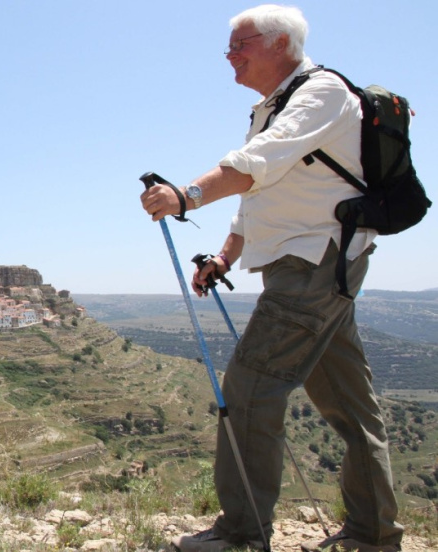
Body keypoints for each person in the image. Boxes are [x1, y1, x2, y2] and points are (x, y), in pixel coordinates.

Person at [140, 5, 403, 552]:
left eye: (242, 44)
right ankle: (374, 534)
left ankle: (242, 534)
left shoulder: (320, 92)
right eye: (229, 47)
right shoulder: (275, 105)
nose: (230, 56)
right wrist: (225, 257)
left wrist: (188, 195)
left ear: (282, 43)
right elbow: (259, 198)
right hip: (323, 266)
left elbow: (256, 162)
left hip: (312, 268)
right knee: (351, 406)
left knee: (250, 390)